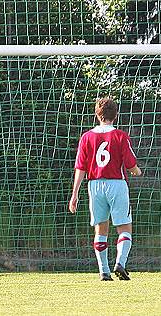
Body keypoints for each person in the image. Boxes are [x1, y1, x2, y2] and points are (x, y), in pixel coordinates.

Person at [68, 96, 142, 281]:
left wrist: (75, 194)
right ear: (115, 115)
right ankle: (121, 263)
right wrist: (137, 172)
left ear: (97, 114)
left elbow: (80, 167)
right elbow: (131, 164)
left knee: (101, 229)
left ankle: (104, 272)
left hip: (95, 185)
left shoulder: (87, 137)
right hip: (116, 183)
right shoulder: (120, 136)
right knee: (124, 227)